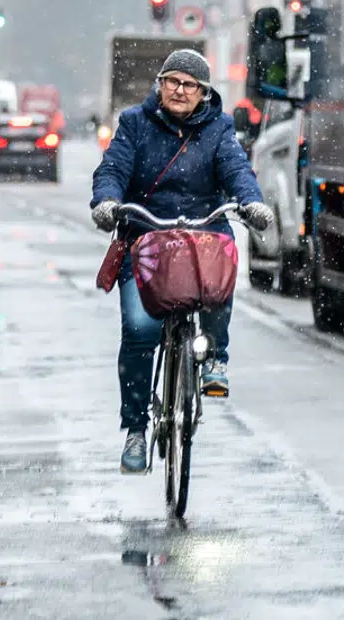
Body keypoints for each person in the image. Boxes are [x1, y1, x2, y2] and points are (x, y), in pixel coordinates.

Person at [89, 49, 274, 474]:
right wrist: (108, 202)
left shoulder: (219, 129)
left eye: (190, 85)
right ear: (159, 84)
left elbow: (237, 170)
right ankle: (136, 429)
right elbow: (112, 169)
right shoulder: (135, 124)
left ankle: (215, 359)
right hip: (146, 237)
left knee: (218, 280)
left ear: (204, 94)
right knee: (139, 331)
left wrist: (251, 203)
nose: (179, 90)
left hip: (201, 235)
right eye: (172, 81)